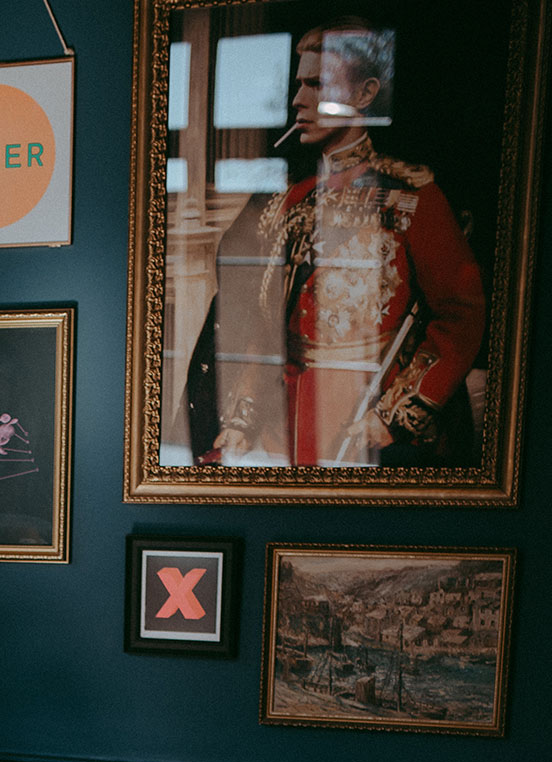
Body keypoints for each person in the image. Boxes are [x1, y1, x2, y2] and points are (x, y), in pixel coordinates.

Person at [198, 15, 486, 468]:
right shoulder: (288, 202)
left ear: (366, 94)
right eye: (299, 84)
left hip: (367, 415)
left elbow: (460, 313)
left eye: (316, 84)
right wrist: (242, 419)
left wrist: (392, 416)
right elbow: (261, 326)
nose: (298, 100)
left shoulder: (412, 196)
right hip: (285, 421)